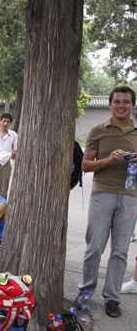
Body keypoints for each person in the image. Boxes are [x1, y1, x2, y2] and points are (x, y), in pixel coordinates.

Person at [74, 86, 137, 318]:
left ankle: (112, 298)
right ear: (110, 104)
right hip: (102, 194)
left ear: (132, 105)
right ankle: (85, 293)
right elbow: (85, 166)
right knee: (94, 247)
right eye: (117, 101)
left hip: (131, 197)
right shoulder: (98, 131)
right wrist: (109, 160)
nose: (122, 105)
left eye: (126, 102)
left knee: (120, 251)